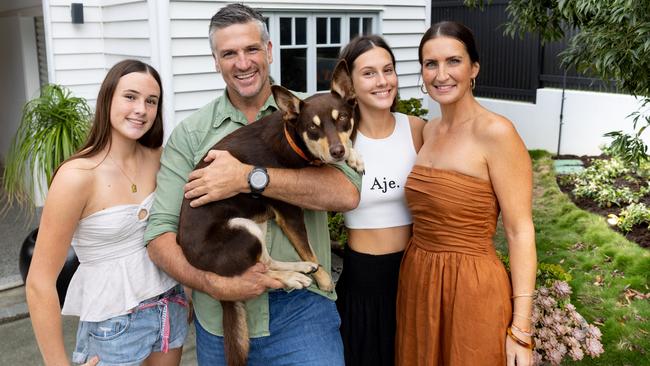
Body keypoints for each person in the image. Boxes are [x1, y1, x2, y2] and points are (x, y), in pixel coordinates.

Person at [143, 4, 361, 365]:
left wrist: (248, 177)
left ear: (270, 51)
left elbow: (346, 193)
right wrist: (215, 284)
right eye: (229, 53)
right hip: (221, 311)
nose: (242, 63)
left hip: (303, 309)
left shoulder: (316, 115)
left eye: (251, 49)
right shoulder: (191, 135)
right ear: (215, 61)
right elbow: (159, 235)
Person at [26, 59, 189, 366]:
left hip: (170, 306)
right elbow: (39, 282)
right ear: (107, 99)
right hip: (112, 324)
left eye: (151, 101)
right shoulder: (77, 176)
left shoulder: (161, 159)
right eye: (130, 97)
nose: (141, 109)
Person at [395, 21, 537, 366]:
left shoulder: (497, 132)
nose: (441, 74)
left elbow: (520, 233)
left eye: (453, 61)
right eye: (431, 64)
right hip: (418, 280)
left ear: (474, 68)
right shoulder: (428, 131)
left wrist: (521, 328)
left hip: (472, 287)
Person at [334, 35, 424, 366]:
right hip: (362, 282)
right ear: (350, 85)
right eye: (369, 73)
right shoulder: (341, 142)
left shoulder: (417, 130)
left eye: (388, 70)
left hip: (413, 276)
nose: (383, 81)